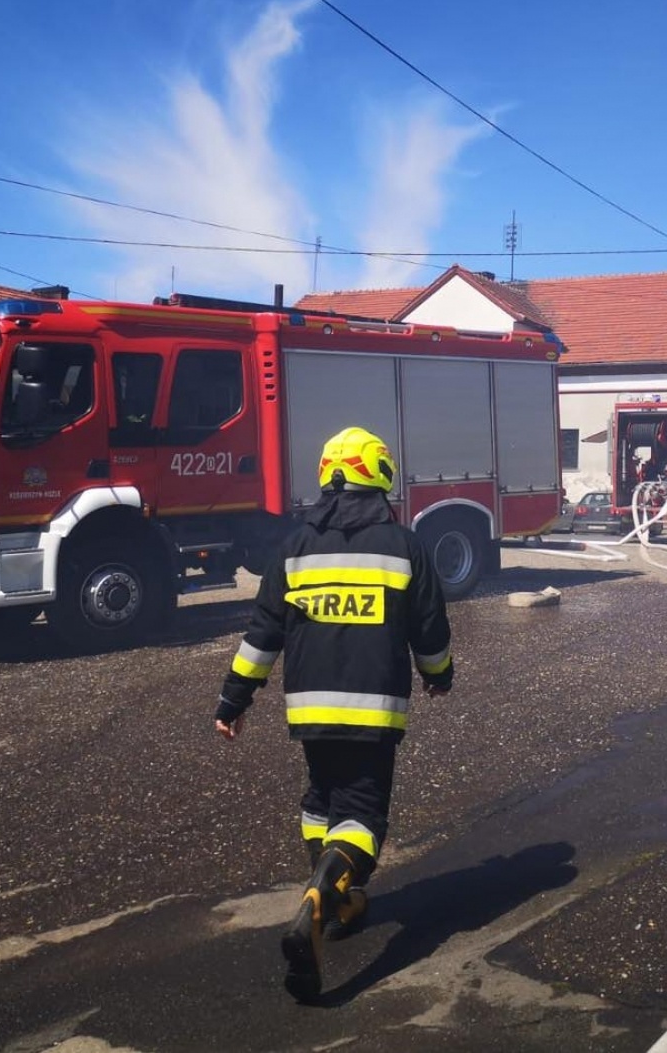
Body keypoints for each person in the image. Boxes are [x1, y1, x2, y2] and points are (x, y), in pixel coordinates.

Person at [213, 426, 453, 1000]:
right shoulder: (404, 547)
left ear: (327, 476)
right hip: (374, 712)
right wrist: (438, 675)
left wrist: (233, 700)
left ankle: (338, 901)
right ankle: (322, 895)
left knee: (321, 799)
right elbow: (429, 629)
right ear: (380, 476)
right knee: (362, 814)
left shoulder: (295, 547)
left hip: (311, 712)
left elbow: (262, 635)